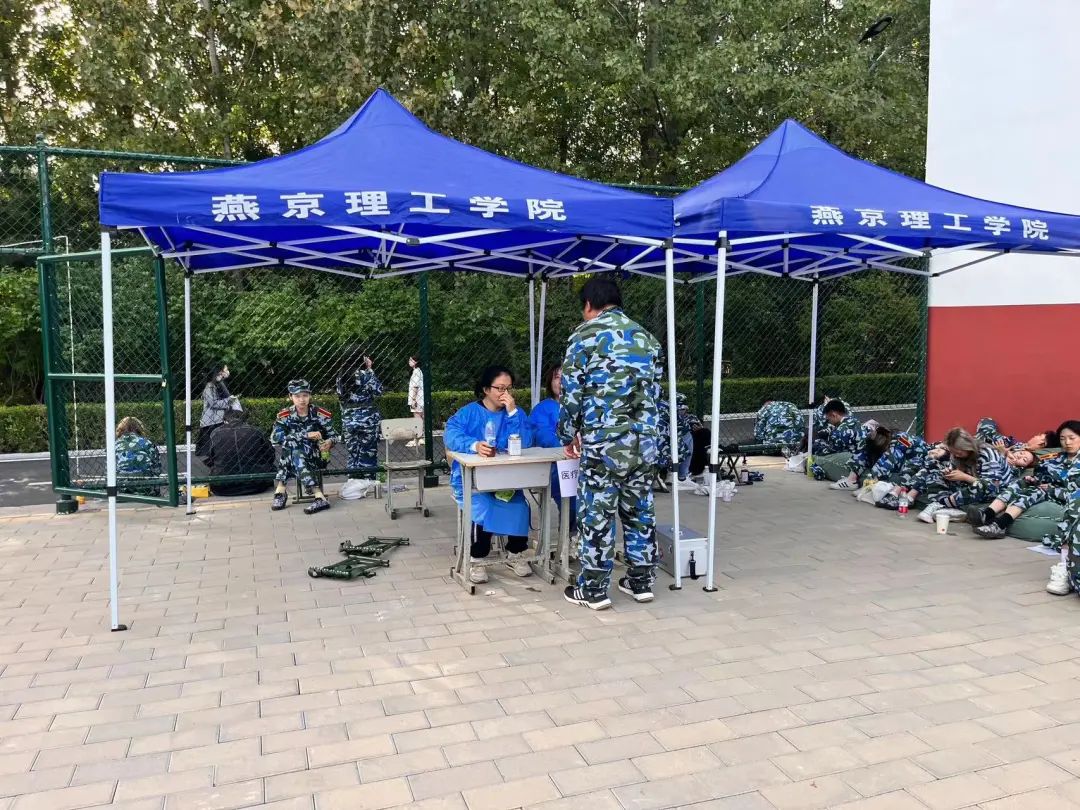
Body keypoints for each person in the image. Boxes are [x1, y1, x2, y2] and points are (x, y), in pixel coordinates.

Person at [558, 277, 663, 610]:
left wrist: (567, 434)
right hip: (644, 444)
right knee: (640, 511)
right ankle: (641, 583)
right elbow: (656, 395)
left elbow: (571, 393)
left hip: (604, 444)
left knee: (597, 515)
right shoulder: (648, 339)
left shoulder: (583, 337)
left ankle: (593, 590)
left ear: (589, 304)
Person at [445, 366, 534, 584]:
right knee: (483, 507)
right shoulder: (469, 413)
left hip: (505, 479)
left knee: (519, 505)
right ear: (486, 389)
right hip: (472, 480)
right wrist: (474, 445)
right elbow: (451, 434)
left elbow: (526, 441)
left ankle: (515, 553)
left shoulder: (516, 413)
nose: (505, 393)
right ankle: (477, 558)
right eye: (500, 388)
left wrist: (512, 414)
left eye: (509, 388)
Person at [968, 420, 1080, 539]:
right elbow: (1045, 474)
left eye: (1072, 438)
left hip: (1066, 498)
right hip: (1047, 489)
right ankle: (987, 514)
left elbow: (1076, 493)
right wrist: (1035, 479)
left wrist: (1052, 490)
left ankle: (1000, 525)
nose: (1067, 442)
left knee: (1036, 491)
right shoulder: (1056, 458)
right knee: (1022, 483)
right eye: (1062, 439)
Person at [890, 427, 1013, 521]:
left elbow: (992, 485)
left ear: (967, 448)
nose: (956, 455)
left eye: (958, 452)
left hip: (994, 489)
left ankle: (941, 504)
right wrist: (949, 473)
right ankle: (947, 506)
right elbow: (954, 469)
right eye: (953, 452)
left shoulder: (987, 454)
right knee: (935, 475)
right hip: (969, 481)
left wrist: (964, 477)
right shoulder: (956, 455)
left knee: (977, 488)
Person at [270, 379, 338, 514]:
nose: (302, 400)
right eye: (297, 396)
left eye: (305, 395)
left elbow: (335, 435)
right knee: (294, 448)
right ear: (290, 397)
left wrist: (329, 442)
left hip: (317, 456)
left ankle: (280, 491)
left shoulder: (320, 414)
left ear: (309, 396)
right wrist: (305, 435)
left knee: (291, 446)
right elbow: (275, 438)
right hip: (297, 456)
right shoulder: (285, 415)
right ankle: (319, 496)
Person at [529, 364, 577, 536]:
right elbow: (543, 436)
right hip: (556, 466)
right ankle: (571, 535)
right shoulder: (543, 409)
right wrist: (570, 448)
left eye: (567, 377)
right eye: (557, 377)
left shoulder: (586, 407)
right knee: (573, 499)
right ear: (550, 382)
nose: (562, 382)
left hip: (585, 463)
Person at [830, 421, 930, 492]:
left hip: (914, 461)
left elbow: (892, 458)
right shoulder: (880, 434)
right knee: (865, 448)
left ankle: (870, 485)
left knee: (889, 456)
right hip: (898, 458)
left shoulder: (901, 440)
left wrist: (873, 476)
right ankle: (851, 480)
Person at [337, 353, 383, 500]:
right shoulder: (365, 374)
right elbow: (378, 390)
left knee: (353, 451)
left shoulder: (341, 376)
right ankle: (368, 482)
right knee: (368, 451)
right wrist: (370, 369)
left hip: (349, 418)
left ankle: (353, 481)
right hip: (367, 419)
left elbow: (341, 398)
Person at [205, 409, 275, 497]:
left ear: (224, 420)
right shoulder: (256, 431)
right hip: (257, 485)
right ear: (245, 419)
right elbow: (270, 455)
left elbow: (211, 458)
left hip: (222, 487)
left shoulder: (215, 433)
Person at [195, 362, 239, 457]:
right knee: (208, 448)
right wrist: (228, 401)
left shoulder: (218, 385)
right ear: (217, 373)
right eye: (224, 370)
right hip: (211, 421)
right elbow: (214, 403)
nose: (226, 372)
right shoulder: (209, 387)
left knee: (216, 447)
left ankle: (214, 461)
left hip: (217, 420)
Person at [115, 416, 161, 496]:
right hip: (145, 485)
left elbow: (109, 470)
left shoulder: (115, 445)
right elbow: (156, 468)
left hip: (121, 486)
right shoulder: (147, 443)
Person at [408, 355, 424, 422]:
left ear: (416, 362)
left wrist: (414, 400)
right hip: (420, 398)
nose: (409, 362)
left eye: (411, 360)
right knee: (422, 418)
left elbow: (415, 386)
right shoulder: (418, 371)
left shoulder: (416, 371)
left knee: (418, 419)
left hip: (417, 399)